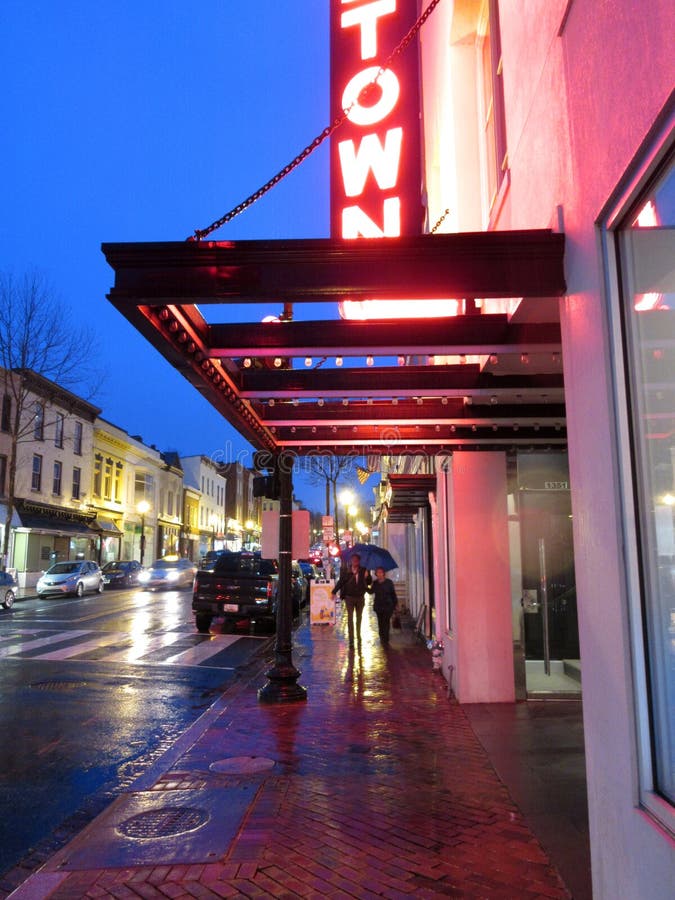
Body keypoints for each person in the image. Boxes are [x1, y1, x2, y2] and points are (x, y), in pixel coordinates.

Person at [332, 553, 372, 648]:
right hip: (349, 598)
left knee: (359, 618)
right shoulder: (347, 571)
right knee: (350, 619)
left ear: (359, 561)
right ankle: (351, 640)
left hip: (360, 598)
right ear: (351, 561)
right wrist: (334, 591)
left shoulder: (363, 570)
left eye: (356, 560)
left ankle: (358, 636)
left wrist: (368, 576)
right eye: (353, 560)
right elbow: (341, 582)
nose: (355, 561)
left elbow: (369, 583)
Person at [372, 566, 398, 645]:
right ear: (376, 574)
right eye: (378, 573)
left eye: (381, 572)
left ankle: (386, 639)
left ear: (384, 574)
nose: (379, 574)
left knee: (386, 622)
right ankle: (382, 637)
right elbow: (370, 591)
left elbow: (393, 594)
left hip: (388, 606)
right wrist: (365, 583)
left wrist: (395, 604)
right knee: (380, 622)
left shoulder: (389, 582)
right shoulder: (375, 583)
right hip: (378, 606)